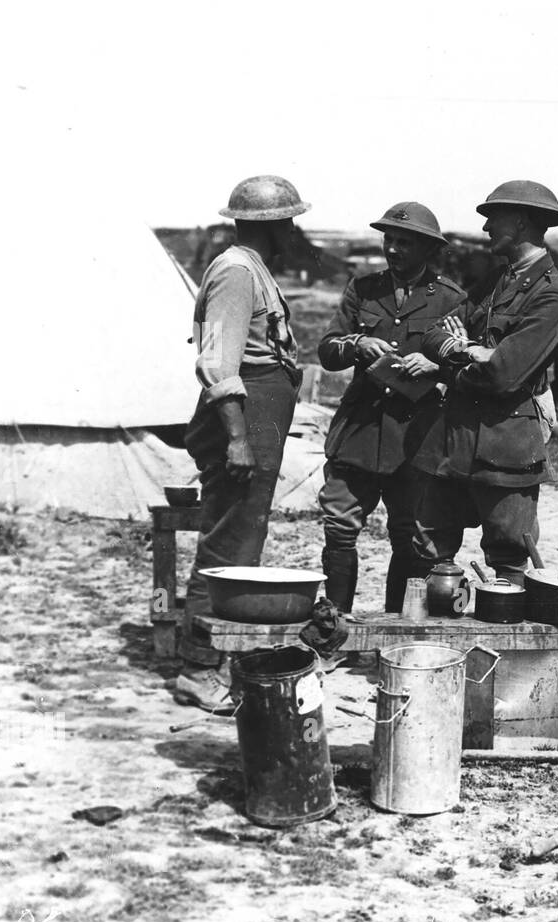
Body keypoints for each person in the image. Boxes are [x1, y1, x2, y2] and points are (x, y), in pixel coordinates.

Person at [174, 175, 309, 704]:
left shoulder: (254, 269)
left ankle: (221, 659)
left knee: (240, 542)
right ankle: (199, 667)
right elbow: (216, 362)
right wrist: (236, 438)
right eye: (290, 221)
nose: (294, 232)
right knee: (226, 544)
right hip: (243, 421)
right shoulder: (236, 272)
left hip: (257, 419)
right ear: (274, 225)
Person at [411, 180, 558, 585]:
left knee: (509, 557)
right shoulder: (494, 281)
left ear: (519, 223)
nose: (485, 229)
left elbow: (503, 375)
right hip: (454, 441)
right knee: (431, 548)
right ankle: (431, 646)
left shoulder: (551, 296)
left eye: (493, 219)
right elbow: (432, 336)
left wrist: (458, 356)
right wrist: (467, 352)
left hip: (506, 445)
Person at [315, 202, 467, 614]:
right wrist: (356, 345)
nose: (394, 249)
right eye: (389, 239)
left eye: (405, 242)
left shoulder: (450, 299)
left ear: (427, 248)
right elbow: (328, 350)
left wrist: (437, 367)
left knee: (411, 536)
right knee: (340, 528)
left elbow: (466, 363)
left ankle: (399, 629)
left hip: (418, 439)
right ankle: (336, 626)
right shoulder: (363, 289)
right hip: (360, 431)